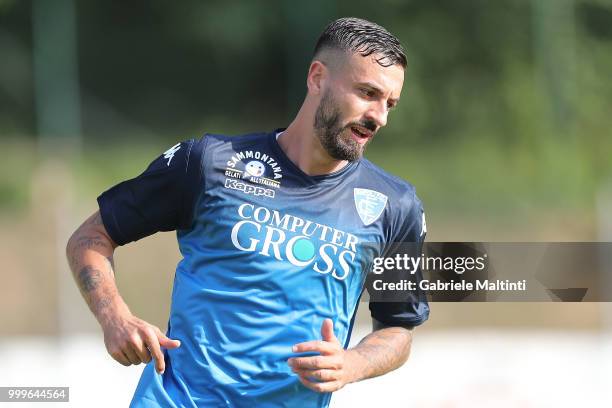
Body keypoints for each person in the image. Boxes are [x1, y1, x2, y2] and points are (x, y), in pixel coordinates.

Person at [66, 17, 429, 408]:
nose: (379, 117)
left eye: (389, 103)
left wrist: (354, 363)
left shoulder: (396, 206)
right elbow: (90, 238)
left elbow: (398, 327)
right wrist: (115, 318)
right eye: (367, 93)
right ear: (317, 77)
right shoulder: (208, 163)